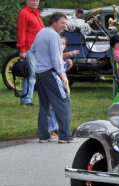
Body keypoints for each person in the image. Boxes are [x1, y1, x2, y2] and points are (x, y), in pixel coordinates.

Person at [30, 12, 77, 143]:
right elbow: (56, 58)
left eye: (65, 23)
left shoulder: (41, 32)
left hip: (40, 73)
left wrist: (39, 63)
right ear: (54, 22)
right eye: (62, 23)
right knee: (64, 102)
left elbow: (32, 50)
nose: (64, 26)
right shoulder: (54, 36)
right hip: (51, 73)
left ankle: (44, 136)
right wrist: (62, 74)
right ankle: (65, 136)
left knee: (45, 105)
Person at [16, 0, 45, 107]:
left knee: (32, 74)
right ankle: (26, 100)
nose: (35, 2)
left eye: (37, 0)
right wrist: (22, 49)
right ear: (27, 1)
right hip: (29, 48)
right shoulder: (24, 13)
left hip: (37, 49)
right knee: (30, 74)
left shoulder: (36, 13)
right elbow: (21, 31)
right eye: (32, 0)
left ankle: (28, 99)